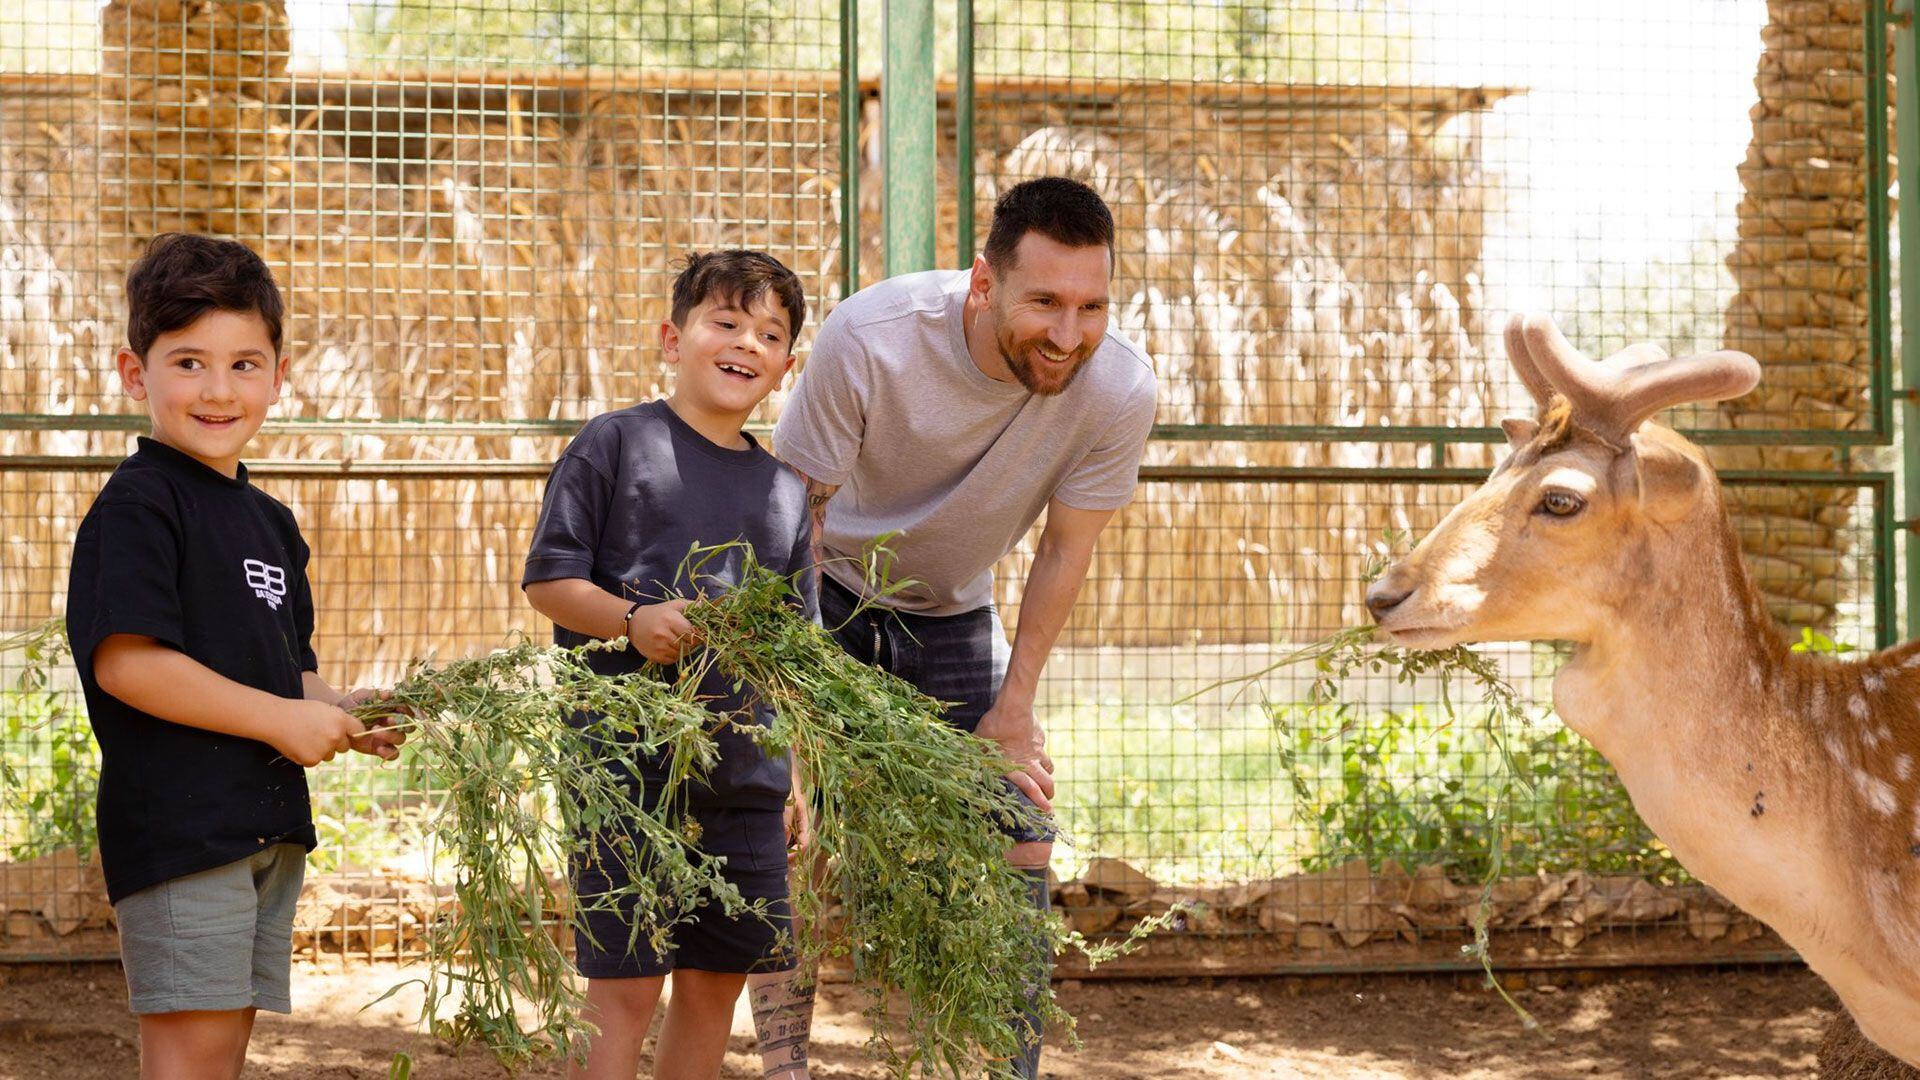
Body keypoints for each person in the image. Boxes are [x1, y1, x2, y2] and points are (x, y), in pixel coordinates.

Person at [751, 176, 1158, 1079]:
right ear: (984, 283)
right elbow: (793, 533)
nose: (1068, 334)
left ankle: (1002, 1070)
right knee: (790, 838)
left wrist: (1014, 713)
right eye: (1044, 302)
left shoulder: (1119, 388)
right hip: (828, 599)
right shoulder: (870, 338)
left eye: (1091, 306)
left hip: (952, 613)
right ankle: (787, 1069)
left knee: (1023, 822)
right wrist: (790, 718)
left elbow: (1064, 552)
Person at [65, 233, 403, 1080]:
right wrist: (283, 720)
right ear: (135, 373)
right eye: (189, 362)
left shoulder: (270, 524)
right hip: (182, 831)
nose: (219, 390)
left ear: (279, 375)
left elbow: (283, 671)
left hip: (262, 827)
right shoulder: (139, 506)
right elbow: (128, 664)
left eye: (245, 364)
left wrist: (343, 711)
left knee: (224, 1049)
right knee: (191, 1056)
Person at [522, 249, 818, 1080]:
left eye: (769, 333)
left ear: (785, 366)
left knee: (718, 980)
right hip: (624, 770)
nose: (745, 344)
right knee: (625, 983)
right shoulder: (614, 444)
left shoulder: (785, 492)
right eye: (725, 322)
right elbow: (549, 581)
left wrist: (794, 776)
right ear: (672, 337)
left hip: (745, 779)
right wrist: (631, 620)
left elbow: (792, 653)